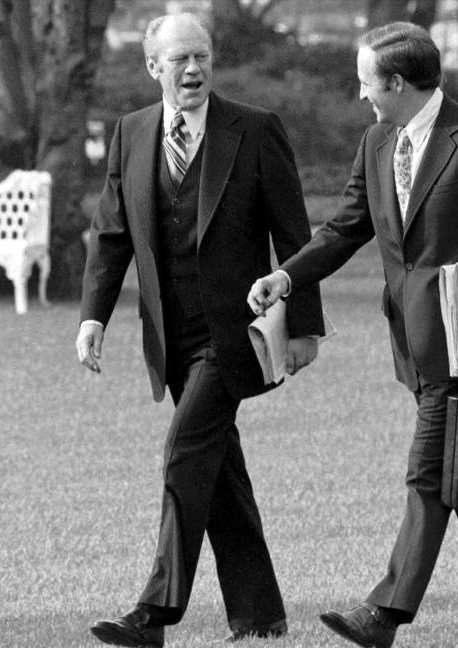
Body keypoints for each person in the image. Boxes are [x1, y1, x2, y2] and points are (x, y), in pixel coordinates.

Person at [248, 22, 458, 646]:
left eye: (366, 83)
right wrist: (286, 276)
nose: (361, 95)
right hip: (413, 342)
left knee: (428, 475)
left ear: (396, 82)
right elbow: (344, 229)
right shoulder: (377, 141)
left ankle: (384, 613)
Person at [76, 13, 324, 647]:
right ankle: (260, 616)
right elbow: (112, 235)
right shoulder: (131, 132)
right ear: (152, 66)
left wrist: (304, 326)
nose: (193, 69)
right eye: (179, 59)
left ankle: (154, 613)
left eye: (202, 57)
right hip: (171, 336)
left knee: (185, 452)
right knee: (219, 473)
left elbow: (293, 233)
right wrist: (93, 316)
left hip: (234, 334)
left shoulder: (256, 129)